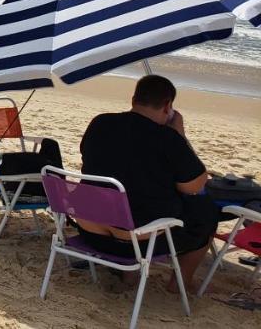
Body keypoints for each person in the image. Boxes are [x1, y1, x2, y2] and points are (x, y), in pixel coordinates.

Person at [78, 75, 218, 292]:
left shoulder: (100, 123)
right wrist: (180, 135)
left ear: (134, 99)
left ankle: (128, 275)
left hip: (91, 233)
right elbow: (195, 186)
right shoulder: (168, 139)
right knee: (206, 213)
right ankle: (180, 283)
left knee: (132, 199)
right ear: (168, 106)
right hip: (137, 245)